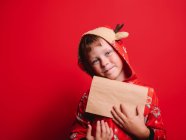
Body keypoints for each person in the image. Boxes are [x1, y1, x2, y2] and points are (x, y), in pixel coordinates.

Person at [69, 24, 166, 140]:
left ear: (119, 50)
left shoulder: (148, 95)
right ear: (89, 68)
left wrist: (143, 133)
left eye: (107, 53)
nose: (104, 63)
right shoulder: (88, 98)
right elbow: (75, 134)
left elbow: (161, 136)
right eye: (95, 60)